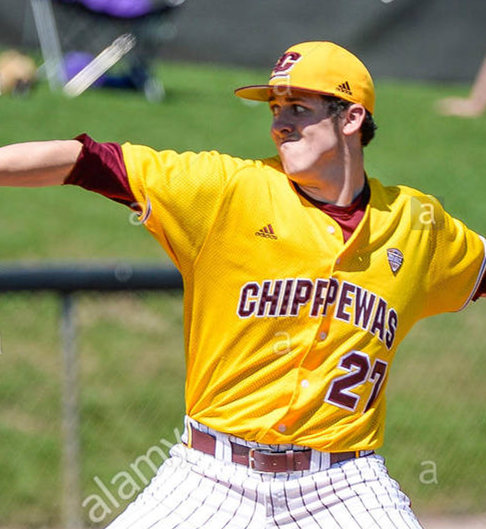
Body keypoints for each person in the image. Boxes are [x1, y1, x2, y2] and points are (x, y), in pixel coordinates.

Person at [0, 41, 485, 529]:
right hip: (211, 475)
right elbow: (86, 161)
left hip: (344, 483)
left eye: (299, 107)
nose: (279, 123)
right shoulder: (228, 190)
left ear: (352, 118)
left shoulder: (417, 224)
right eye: (275, 108)